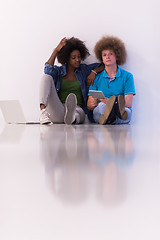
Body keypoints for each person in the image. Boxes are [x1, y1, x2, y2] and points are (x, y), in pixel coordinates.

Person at [39, 37, 104, 124]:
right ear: (67, 59)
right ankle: (43, 112)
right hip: (59, 109)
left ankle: (72, 118)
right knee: (46, 77)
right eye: (73, 58)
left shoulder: (84, 70)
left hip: (77, 109)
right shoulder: (59, 71)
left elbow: (104, 65)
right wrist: (56, 51)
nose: (77, 60)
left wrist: (94, 72)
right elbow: (48, 70)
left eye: (79, 57)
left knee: (78, 113)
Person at [87, 36, 136, 125]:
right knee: (101, 107)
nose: (107, 57)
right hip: (102, 109)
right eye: (104, 55)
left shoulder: (127, 76)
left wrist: (110, 102)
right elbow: (89, 106)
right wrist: (92, 103)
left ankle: (111, 117)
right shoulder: (96, 78)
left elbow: (128, 103)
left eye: (111, 54)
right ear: (101, 58)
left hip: (121, 108)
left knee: (126, 111)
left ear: (117, 56)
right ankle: (114, 116)